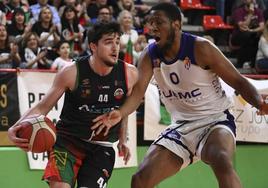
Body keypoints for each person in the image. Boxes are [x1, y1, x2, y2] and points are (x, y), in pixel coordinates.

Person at [92, 3, 268, 188]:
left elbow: (238, 81)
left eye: (158, 22)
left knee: (221, 159)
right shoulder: (149, 55)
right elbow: (137, 94)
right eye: (150, 22)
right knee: (140, 180)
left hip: (215, 121)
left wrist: (259, 103)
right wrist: (120, 113)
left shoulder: (201, 48)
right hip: (180, 127)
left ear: (176, 24)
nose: (152, 27)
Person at [8, 21, 138, 188]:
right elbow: (42, 107)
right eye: (108, 42)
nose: (115, 48)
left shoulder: (129, 73)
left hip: (102, 147)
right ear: (93, 46)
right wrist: (15, 127)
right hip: (68, 141)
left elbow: (124, 108)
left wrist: (122, 139)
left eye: (117, 42)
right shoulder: (71, 72)